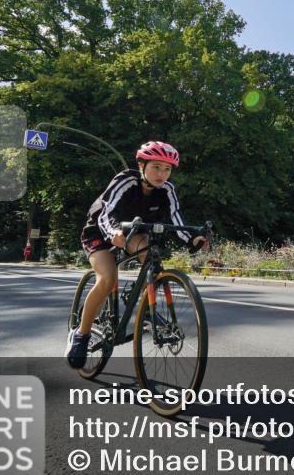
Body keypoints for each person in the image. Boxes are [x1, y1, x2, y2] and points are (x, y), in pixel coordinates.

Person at [66, 141, 210, 369]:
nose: (162, 174)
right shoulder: (125, 181)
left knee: (152, 257)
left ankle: (146, 305)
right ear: (142, 165)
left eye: (167, 169)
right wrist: (113, 232)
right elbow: (106, 211)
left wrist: (192, 239)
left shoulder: (167, 190)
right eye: (156, 167)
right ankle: (81, 335)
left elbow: (176, 218)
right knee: (107, 279)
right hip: (101, 231)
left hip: (133, 233)